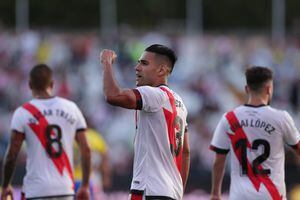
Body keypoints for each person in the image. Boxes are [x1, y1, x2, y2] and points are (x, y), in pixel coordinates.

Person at [100, 44, 190, 200]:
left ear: (161, 70)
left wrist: (107, 63)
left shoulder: (155, 94)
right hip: (172, 192)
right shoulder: (179, 102)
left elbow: (113, 96)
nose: (137, 67)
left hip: (150, 189)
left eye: (144, 63)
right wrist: (179, 190)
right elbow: (186, 152)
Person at [1, 64, 91, 200]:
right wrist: (84, 185)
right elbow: (86, 151)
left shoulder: (23, 113)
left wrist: (6, 184)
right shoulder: (71, 108)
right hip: (65, 188)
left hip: (35, 190)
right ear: (52, 84)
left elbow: (12, 155)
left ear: (30, 85)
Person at [210, 66, 300, 200]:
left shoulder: (229, 118)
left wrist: (215, 193)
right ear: (269, 89)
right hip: (272, 195)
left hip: (240, 196)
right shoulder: (281, 118)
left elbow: (219, 160)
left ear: (247, 89)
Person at [74, 127, 111, 200]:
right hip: (93, 178)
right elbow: (105, 158)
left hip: (75, 177)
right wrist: (106, 177)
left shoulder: (73, 136)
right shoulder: (96, 137)